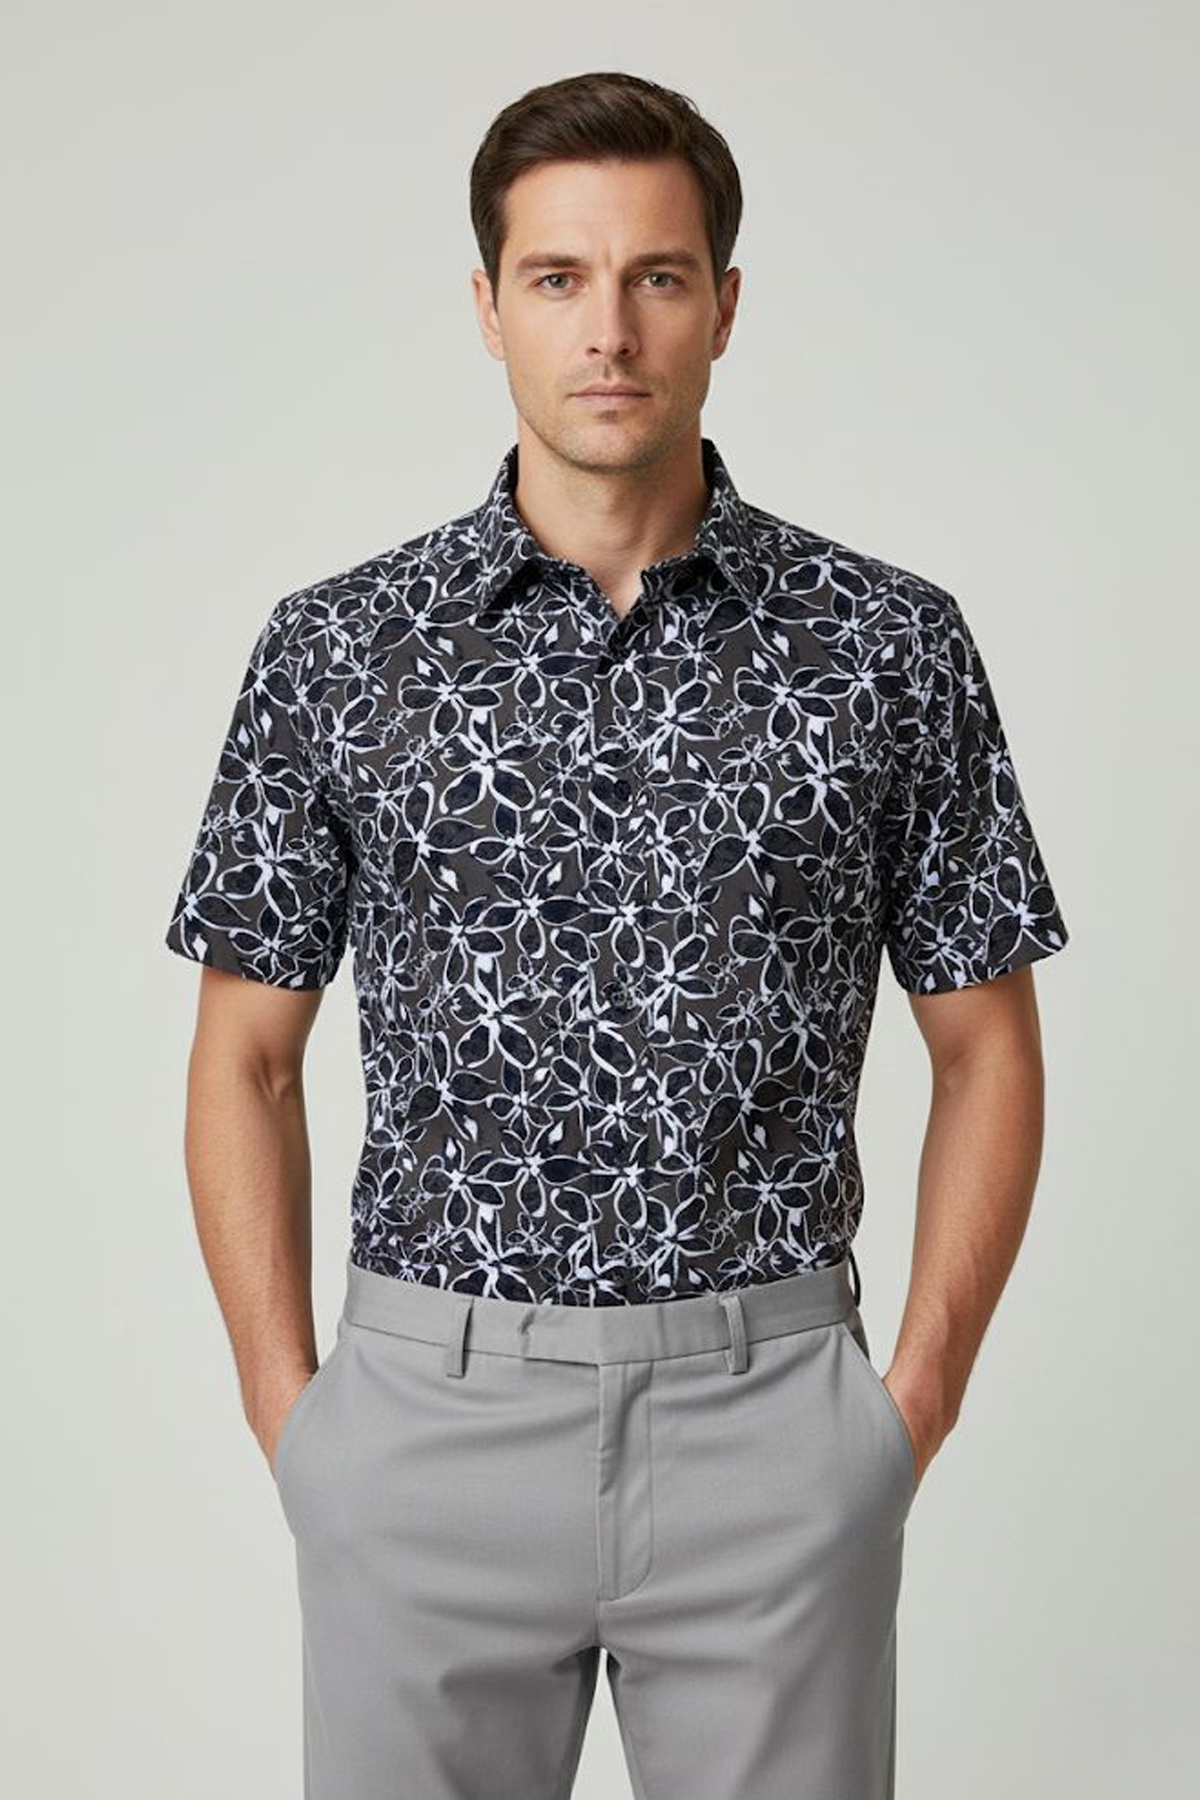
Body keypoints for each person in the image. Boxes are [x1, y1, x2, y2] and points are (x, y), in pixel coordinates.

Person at [165, 68, 1070, 1800]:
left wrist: (907, 1411)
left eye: (656, 276)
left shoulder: (886, 648)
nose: (609, 330)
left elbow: (988, 1048)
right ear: (487, 306)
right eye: (558, 278)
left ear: (724, 304)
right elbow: (245, 1060)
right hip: (425, 1427)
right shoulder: (341, 652)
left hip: (772, 1427)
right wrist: (302, 1426)